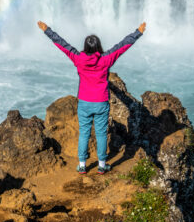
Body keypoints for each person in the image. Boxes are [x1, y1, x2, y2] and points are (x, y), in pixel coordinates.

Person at [37, 20, 146, 174]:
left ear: (86, 47)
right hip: (101, 102)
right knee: (101, 133)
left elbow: (62, 44)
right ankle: (102, 165)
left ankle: (82, 165)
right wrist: (138, 32)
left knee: (84, 133)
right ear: (98, 46)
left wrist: (47, 30)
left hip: (84, 102)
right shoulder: (105, 59)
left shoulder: (78, 58)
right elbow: (122, 46)